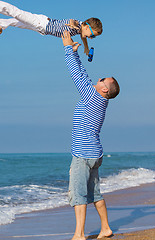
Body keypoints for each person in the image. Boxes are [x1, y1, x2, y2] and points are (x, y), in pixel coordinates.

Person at [61, 30, 119, 240]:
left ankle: (79, 234)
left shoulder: (93, 97)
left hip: (84, 155)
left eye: (103, 79)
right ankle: (105, 228)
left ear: (104, 89)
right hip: (94, 154)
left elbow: (77, 75)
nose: (99, 78)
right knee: (95, 193)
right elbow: (84, 76)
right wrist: (76, 52)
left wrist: (68, 48)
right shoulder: (99, 100)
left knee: (78, 195)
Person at [0, 0, 102, 55]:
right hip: (42, 23)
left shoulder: (82, 29)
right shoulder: (78, 24)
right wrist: (73, 24)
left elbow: (82, 35)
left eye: (93, 37)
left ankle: (3, 23)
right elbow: (73, 22)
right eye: (92, 35)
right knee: (17, 13)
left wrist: (85, 46)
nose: (90, 37)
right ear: (86, 26)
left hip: (43, 29)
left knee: (21, 24)